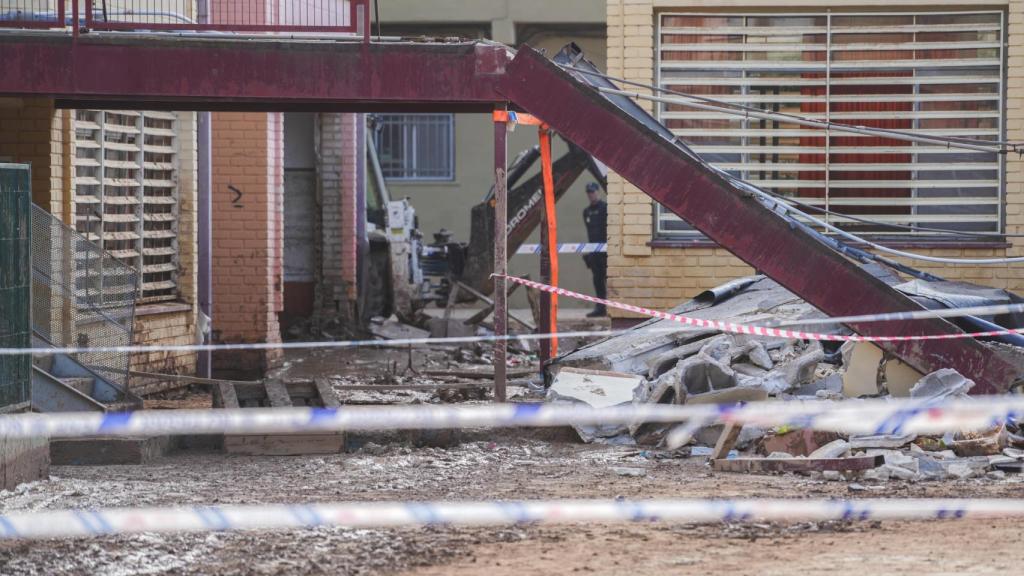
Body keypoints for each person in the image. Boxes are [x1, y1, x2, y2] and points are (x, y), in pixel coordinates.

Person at [582, 182, 607, 317]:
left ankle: (612, 307)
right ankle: (600, 307)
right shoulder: (586, 212)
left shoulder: (605, 208)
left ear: (598, 192)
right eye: (589, 192)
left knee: (609, 279)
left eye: (593, 192)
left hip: (606, 252)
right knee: (597, 280)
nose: (591, 195)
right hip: (594, 252)